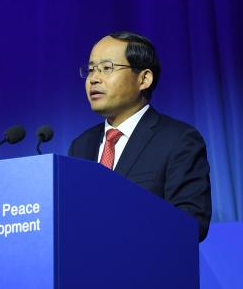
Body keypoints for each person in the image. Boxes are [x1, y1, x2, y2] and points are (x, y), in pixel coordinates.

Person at [69, 31, 211, 241]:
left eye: (107, 68)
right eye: (91, 70)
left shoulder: (178, 140)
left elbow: (191, 223)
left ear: (144, 79)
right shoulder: (80, 146)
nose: (94, 79)